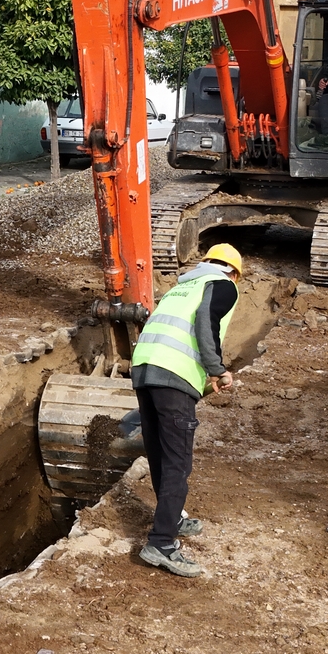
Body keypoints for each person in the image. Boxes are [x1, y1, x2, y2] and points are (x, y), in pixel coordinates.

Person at [130, 243, 243, 577]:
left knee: (160, 453)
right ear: (233, 272)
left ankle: (173, 518)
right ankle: (161, 544)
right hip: (174, 374)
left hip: (144, 371)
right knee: (178, 462)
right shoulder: (223, 285)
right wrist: (216, 368)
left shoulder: (183, 286)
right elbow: (205, 325)